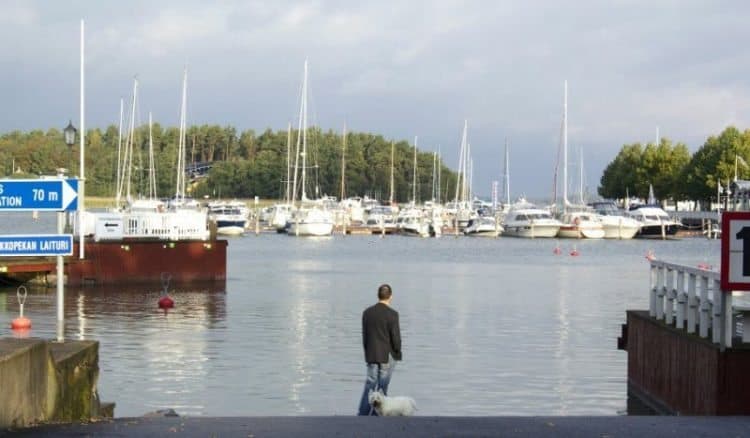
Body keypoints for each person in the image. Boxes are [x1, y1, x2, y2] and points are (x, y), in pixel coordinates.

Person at [357, 283, 402, 416]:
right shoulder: (393, 314)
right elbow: (396, 337)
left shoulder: (367, 313)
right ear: (391, 297)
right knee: (383, 386)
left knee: (370, 384)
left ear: (378, 296)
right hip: (387, 355)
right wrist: (398, 352)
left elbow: (365, 335)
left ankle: (363, 413)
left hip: (371, 353)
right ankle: (379, 413)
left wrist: (367, 352)